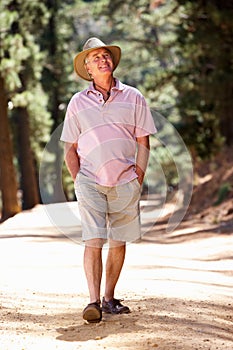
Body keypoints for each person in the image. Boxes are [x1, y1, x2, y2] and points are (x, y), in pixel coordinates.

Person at [60, 37, 156, 323]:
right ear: (87, 69)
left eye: (105, 55)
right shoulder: (77, 103)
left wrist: (137, 176)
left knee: (118, 241)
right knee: (94, 239)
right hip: (89, 181)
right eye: (95, 57)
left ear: (112, 61)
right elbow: (70, 147)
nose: (102, 59)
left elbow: (143, 141)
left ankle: (109, 297)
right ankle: (92, 302)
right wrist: (79, 179)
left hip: (126, 180)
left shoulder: (134, 97)